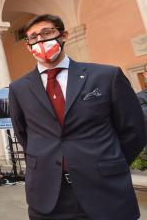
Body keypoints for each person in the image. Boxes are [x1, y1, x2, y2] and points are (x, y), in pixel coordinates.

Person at [8, 14, 146, 220]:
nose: (40, 41)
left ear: (63, 35)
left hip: (105, 190)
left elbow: (134, 130)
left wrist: (107, 161)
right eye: (33, 37)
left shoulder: (106, 76)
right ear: (28, 46)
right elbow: (24, 134)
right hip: (49, 195)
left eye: (47, 33)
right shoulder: (18, 88)